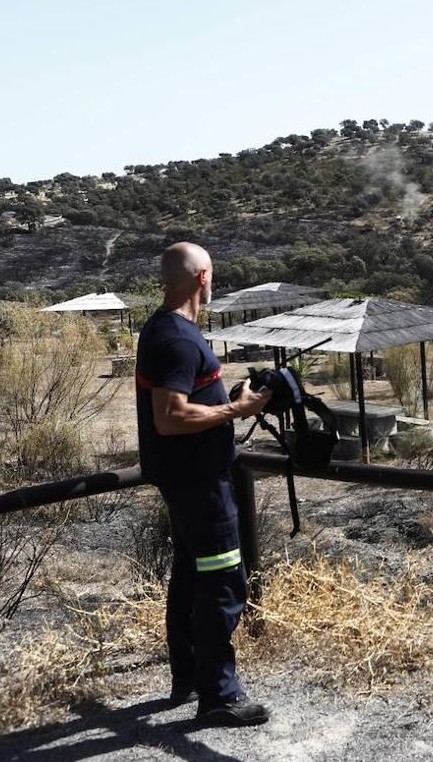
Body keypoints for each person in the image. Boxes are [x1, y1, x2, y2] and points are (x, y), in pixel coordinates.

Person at [135, 242, 272, 726]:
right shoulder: (177, 338)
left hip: (187, 483)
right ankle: (219, 695)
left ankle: (188, 676)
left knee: (192, 578)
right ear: (203, 278)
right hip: (201, 488)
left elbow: (186, 399)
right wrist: (238, 409)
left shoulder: (163, 329)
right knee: (221, 585)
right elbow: (170, 417)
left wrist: (227, 398)